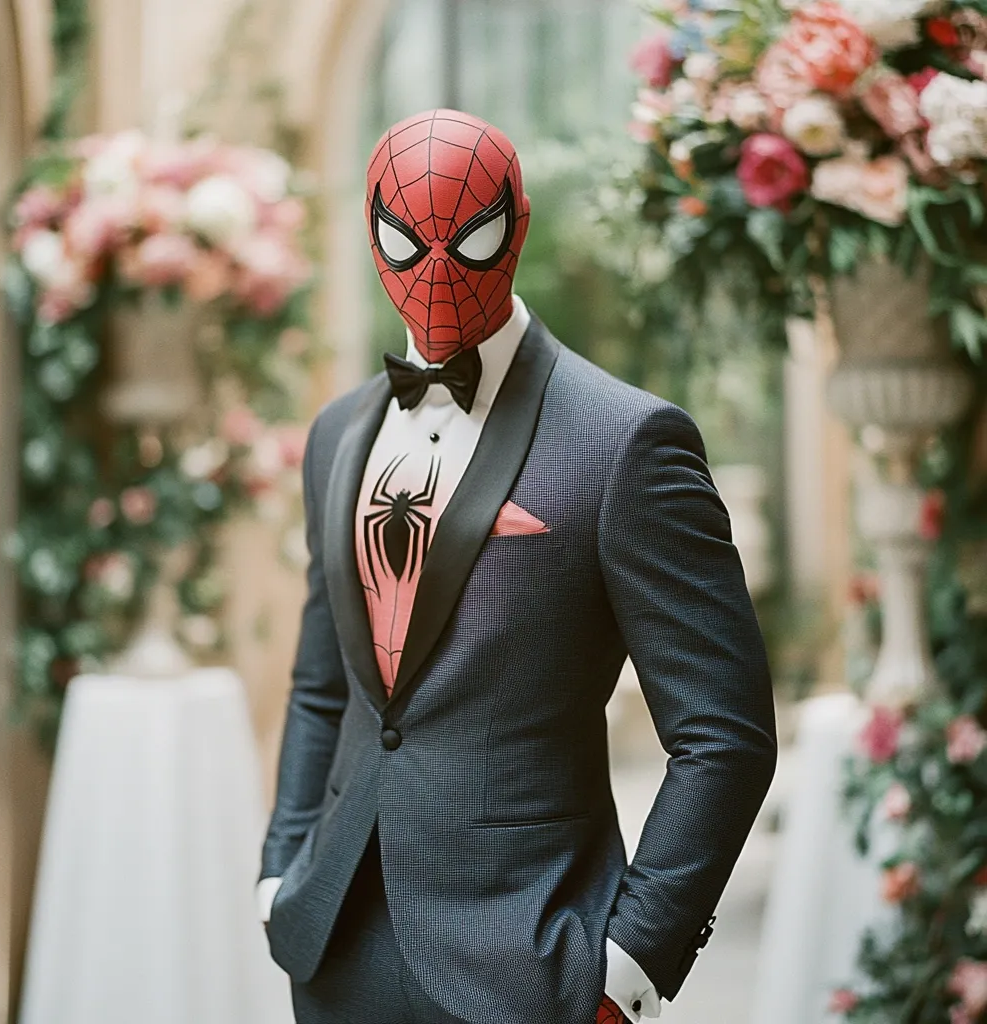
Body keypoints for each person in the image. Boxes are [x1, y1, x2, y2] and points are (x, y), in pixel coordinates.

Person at [258, 109, 777, 1024]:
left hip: (533, 957)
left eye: (471, 237)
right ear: (370, 236)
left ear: (518, 225)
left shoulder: (625, 442)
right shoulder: (337, 434)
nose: (438, 270)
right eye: (404, 242)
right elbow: (322, 685)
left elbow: (724, 732)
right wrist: (280, 866)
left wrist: (630, 961)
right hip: (334, 942)